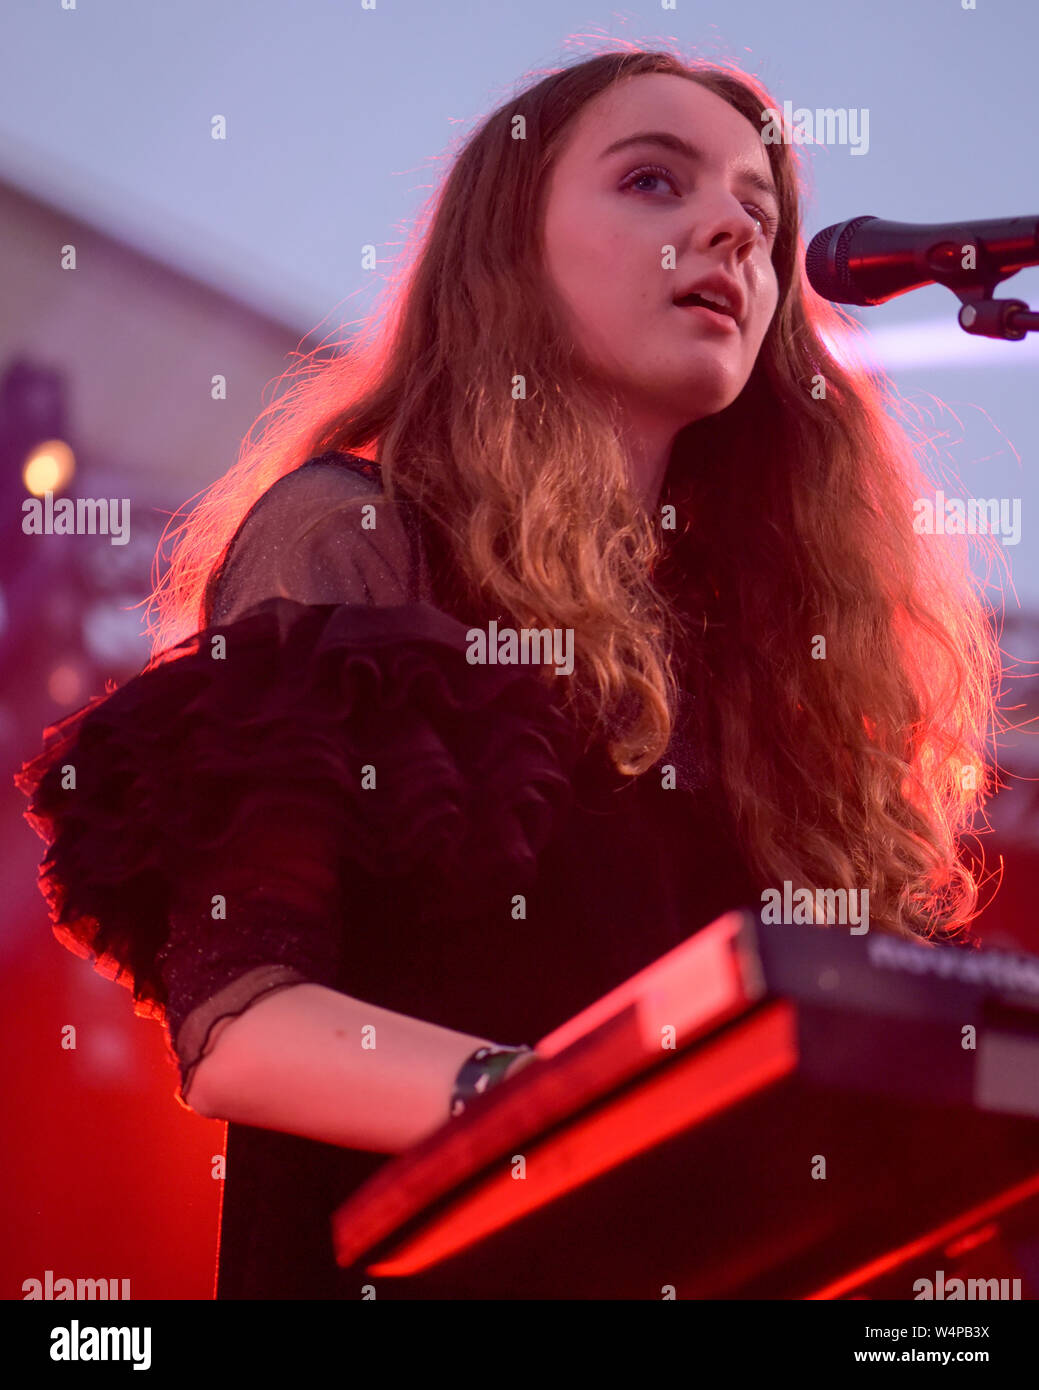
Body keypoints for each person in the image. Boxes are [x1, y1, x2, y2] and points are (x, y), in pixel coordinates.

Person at [15, 48, 1001, 1300]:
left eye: (759, 215)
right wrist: (578, 1107)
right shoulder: (356, 536)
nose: (729, 232)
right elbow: (243, 1029)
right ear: (508, 252)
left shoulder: (779, 664)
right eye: (653, 181)